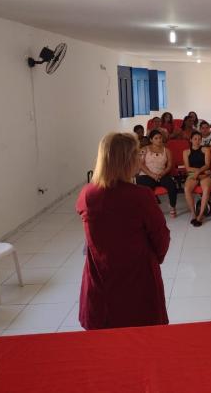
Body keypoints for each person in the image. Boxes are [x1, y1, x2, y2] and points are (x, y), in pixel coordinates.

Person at [76, 133, 169, 330]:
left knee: (105, 348)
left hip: (100, 278)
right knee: (143, 343)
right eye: (137, 154)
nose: (141, 158)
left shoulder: (87, 194)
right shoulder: (141, 196)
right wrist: (154, 258)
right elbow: (161, 238)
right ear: (126, 159)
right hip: (137, 280)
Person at [136, 129, 178, 218]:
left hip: (161, 174)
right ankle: (149, 210)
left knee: (172, 186)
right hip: (146, 174)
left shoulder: (167, 150)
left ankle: (172, 206)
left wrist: (162, 174)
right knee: (147, 188)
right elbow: (140, 164)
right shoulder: (144, 149)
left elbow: (169, 165)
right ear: (151, 140)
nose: (159, 140)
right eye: (156, 138)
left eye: (160, 138)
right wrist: (152, 175)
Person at [183, 131, 211, 227]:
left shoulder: (206, 149)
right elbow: (188, 168)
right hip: (194, 174)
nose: (197, 141)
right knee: (187, 189)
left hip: (206, 173)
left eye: (199, 139)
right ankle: (193, 213)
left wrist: (199, 172)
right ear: (191, 140)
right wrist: (197, 173)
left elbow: (207, 165)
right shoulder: (186, 152)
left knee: (206, 189)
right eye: (195, 139)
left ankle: (200, 215)